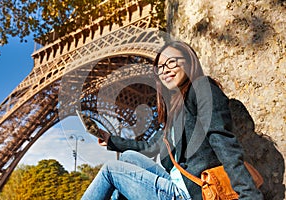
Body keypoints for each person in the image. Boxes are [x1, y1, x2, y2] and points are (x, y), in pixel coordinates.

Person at [81, 40, 264, 200]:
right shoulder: (175, 112)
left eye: (172, 62)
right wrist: (111, 141)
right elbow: (149, 146)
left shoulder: (201, 87)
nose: (165, 70)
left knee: (111, 171)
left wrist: (248, 194)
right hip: (177, 184)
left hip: (192, 192)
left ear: (189, 62)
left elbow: (222, 139)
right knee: (128, 157)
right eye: (160, 67)